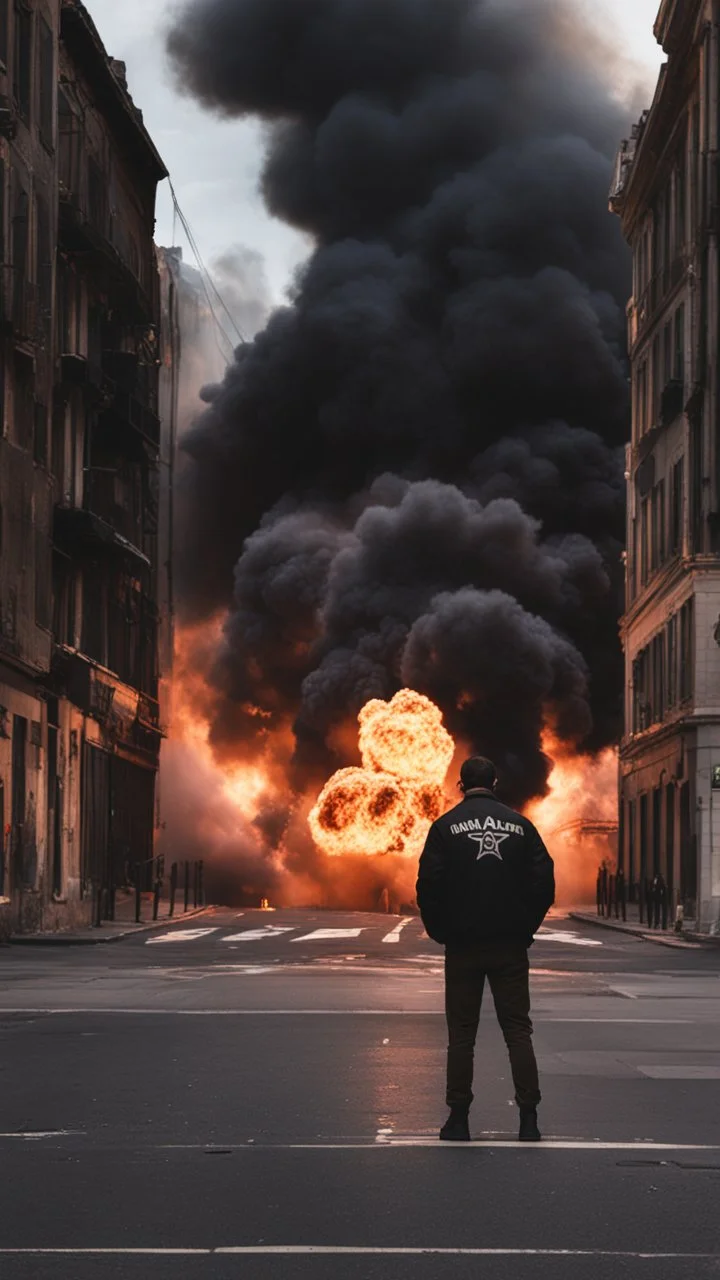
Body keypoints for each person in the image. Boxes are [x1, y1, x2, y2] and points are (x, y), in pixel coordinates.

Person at [416, 755, 555, 1143]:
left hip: (462, 947)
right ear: (495, 783)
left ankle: (458, 1120)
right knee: (517, 1031)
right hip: (510, 946)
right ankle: (529, 1120)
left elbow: (427, 885)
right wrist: (525, 927)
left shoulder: (444, 828)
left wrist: (441, 930)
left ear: (461, 785)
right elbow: (544, 881)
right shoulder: (521, 826)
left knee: (461, 1035)